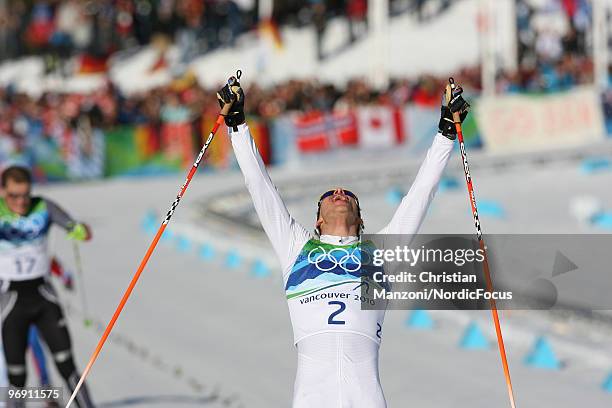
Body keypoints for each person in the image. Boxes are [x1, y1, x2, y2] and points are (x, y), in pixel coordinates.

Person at [216, 76, 469, 407]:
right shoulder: (296, 248)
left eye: (348, 195)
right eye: (330, 194)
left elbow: (420, 193)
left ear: (361, 219)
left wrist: (446, 133)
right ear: (317, 220)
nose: (338, 193)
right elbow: (259, 186)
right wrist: (237, 126)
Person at [0, 165, 95, 408]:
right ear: (3, 192)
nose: (21, 202)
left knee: (67, 365)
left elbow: (77, 229)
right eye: (14, 196)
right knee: (17, 378)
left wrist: (80, 231)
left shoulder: (43, 207)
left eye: (25, 195)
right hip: (11, 302)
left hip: (44, 298)